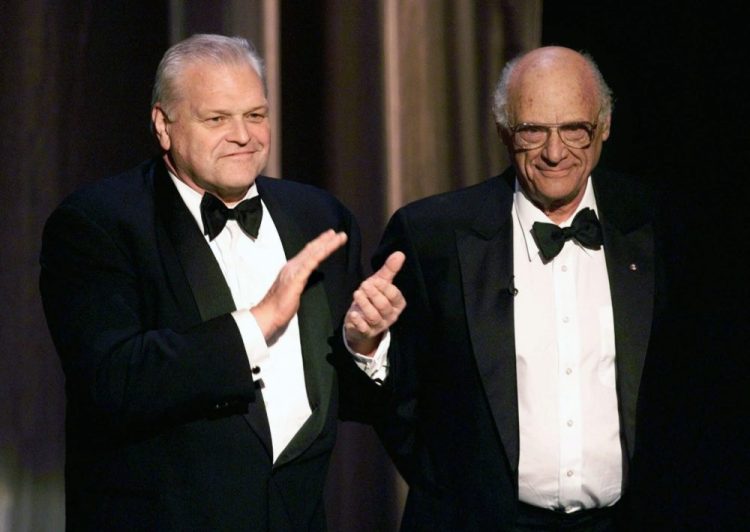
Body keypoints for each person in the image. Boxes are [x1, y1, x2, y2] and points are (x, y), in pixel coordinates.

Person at [40, 34, 402, 531]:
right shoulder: (98, 224)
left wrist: (364, 344)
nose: (244, 135)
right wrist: (256, 324)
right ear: (163, 127)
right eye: (217, 119)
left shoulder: (317, 214)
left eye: (255, 115)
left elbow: (348, 401)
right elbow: (112, 382)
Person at [358, 46, 664, 531]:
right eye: (533, 130)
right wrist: (366, 346)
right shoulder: (430, 235)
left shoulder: (655, 226)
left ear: (603, 127)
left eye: (574, 129)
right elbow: (388, 404)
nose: (555, 151)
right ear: (505, 132)